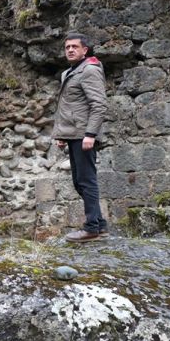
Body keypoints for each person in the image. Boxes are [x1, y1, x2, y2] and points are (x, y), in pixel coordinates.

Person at [52, 32, 108, 243]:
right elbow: (69, 107)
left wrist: (90, 134)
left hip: (85, 135)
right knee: (79, 181)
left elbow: (99, 104)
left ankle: (91, 227)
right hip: (73, 135)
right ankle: (100, 225)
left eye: (75, 46)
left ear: (85, 50)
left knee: (86, 181)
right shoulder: (69, 73)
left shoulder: (90, 70)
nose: (70, 50)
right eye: (67, 47)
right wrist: (62, 135)